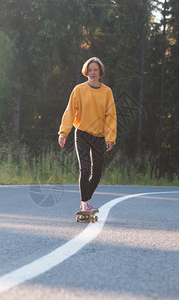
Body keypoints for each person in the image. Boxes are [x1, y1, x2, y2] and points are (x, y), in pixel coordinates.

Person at [58, 57, 117, 213]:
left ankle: (86, 199)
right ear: (86, 71)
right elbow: (70, 111)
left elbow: (111, 116)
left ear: (100, 72)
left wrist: (110, 138)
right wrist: (63, 132)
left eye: (95, 70)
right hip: (82, 134)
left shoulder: (107, 92)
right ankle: (84, 203)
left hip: (99, 136)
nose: (92, 72)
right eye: (90, 70)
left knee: (97, 171)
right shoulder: (79, 90)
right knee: (85, 169)